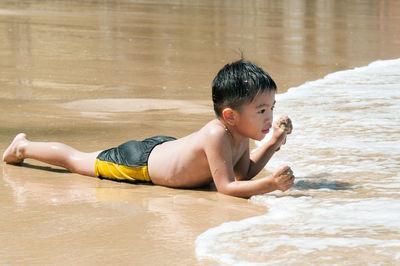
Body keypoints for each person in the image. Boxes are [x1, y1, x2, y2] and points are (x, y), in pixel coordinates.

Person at [2, 60, 294, 198]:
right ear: (230, 116)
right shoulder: (216, 134)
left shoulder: (239, 135)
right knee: (76, 160)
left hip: (165, 151)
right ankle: (22, 147)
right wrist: (270, 185)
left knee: (78, 159)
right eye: (261, 110)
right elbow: (227, 188)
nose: (270, 116)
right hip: (139, 163)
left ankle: (24, 146)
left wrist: (273, 142)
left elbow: (243, 173)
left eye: (271, 107)